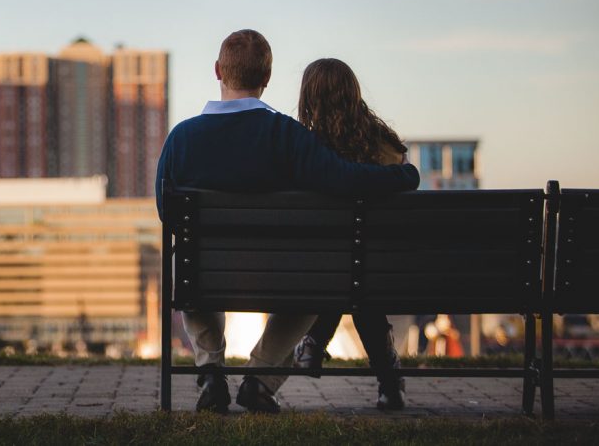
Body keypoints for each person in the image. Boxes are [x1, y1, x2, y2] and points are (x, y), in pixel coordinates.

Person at [155, 30, 420, 414]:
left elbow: (168, 212)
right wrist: (404, 176)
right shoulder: (287, 137)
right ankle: (260, 378)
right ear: (267, 78)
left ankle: (211, 371)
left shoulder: (180, 139)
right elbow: (347, 180)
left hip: (206, 276)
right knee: (318, 281)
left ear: (218, 71)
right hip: (281, 276)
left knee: (191, 260)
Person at [290, 57, 408, 410]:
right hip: (388, 273)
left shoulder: (305, 152)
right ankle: (389, 382)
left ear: (308, 100)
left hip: (321, 274)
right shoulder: (387, 149)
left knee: (347, 275)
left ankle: (313, 340)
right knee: (359, 281)